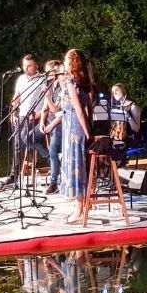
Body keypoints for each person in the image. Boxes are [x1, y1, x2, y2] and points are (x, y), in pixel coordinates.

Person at [3, 54, 50, 187]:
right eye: (24, 65)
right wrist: (13, 112)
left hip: (36, 116)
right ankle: (14, 175)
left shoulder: (42, 79)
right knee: (17, 143)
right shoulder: (21, 79)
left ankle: (47, 159)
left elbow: (47, 100)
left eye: (29, 66)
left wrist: (39, 115)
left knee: (23, 139)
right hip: (22, 115)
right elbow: (17, 97)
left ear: (36, 66)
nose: (26, 68)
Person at [60, 49, 92, 224]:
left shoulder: (71, 83)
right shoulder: (76, 82)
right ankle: (81, 206)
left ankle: (79, 210)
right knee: (76, 165)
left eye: (66, 61)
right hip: (70, 126)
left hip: (74, 128)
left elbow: (79, 110)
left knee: (76, 167)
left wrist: (87, 133)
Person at [39, 60, 64, 194]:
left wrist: (47, 96)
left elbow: (56, 110)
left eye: (49, 72)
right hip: (48, 122)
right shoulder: (49, 85)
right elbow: (45, 108)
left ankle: (54, 182)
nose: (47, 75)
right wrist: (42, 122)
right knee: (29, 137)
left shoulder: (62, 87)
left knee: (53, 148)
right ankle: (51, 158)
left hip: (59, 123)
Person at [110, 83, 143, 148]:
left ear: (124, 91)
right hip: (119, 137)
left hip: (131, 138)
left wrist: (128, 116)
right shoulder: (117, 107)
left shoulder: (133, 107)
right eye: (113, 92)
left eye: (117, 90)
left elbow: (136, 129)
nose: (114, 93)